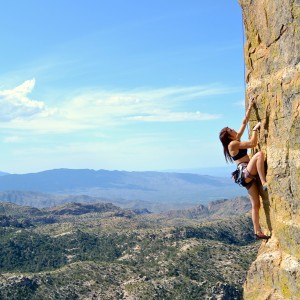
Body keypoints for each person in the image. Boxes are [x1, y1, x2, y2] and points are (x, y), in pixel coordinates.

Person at [219, 99, 270, 240]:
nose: (234, 130)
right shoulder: (233, 144)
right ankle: (264, 182)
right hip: (246, 172)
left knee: (256, 204)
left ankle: (257, 232)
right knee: (259, 154)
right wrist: (255, 129)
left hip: (245, 176)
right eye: (231, 130)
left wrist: (249, 108)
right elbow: (253, 143)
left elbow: (243, 123)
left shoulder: (234, 141)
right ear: (229, 136)